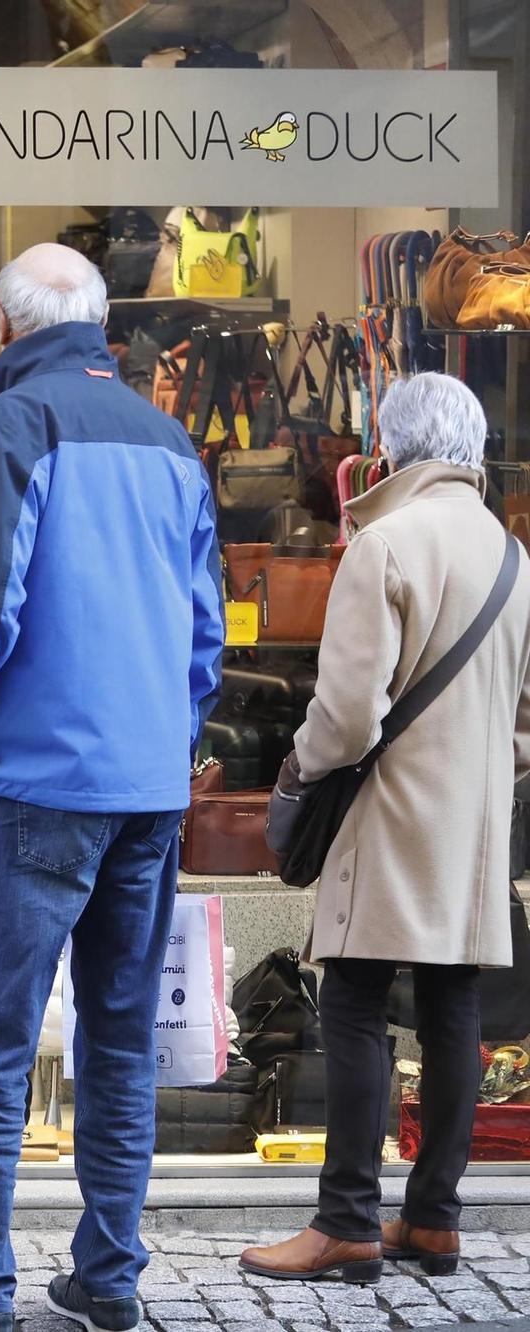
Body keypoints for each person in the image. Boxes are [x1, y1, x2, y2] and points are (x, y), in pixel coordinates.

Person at [0, 243, 224, 1332]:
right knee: (118, 1042)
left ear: (9, 333)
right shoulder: (168, 441)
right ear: (100, 322)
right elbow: (203, 636)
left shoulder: (8, 426)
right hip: (145, 787)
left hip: (29, 780)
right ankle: (105, 1278)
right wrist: (168, 738)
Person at [240, 373, 530, 1283]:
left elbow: (346, 716)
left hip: (388, 806)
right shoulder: (514, 556)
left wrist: (300, 769)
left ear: (392, 446)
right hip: (474, 818)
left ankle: (348, 1222)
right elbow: (524, 726)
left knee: (358, 1005)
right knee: (454, 1010)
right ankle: (436, 1218)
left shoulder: (385, 543)